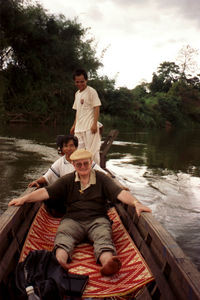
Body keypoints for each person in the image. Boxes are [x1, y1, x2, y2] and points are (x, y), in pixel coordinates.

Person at [9, 149, 152, 277]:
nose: (83, 167)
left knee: (103, 237)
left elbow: (120, 193)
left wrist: (136, 203)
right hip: (73, 219)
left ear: (91, 163)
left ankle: (108, 263)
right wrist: (24, 199)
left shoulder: (102, 178)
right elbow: (46, 192)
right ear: (73, 165)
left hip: (97, 219)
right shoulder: (67, 180)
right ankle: (59, 262)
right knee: (63, 236)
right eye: (79, 164)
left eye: (86, 163)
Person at [28, 134, 106, 188]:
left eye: (71, 145)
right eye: (65, 146)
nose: (69, 149)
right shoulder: (60, 163)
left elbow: (103, 174)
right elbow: (48, 176)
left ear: (76, 147)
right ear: (61, 149)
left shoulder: (84, 159)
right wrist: (37, 181)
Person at [70, 69, 102, 165]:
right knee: (78, 152)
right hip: (79, 128)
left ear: (86, 80)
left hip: (90, 127)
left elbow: (97, 107)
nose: (80, 84)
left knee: (93, 152)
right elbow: (78, 112)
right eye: (77, 82)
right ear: (74, 82)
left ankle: (97, 172)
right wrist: (74, 125)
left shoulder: (91, 91)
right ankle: (80, 173)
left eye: (82, 81)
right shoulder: (77, 94)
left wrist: (94, 124)